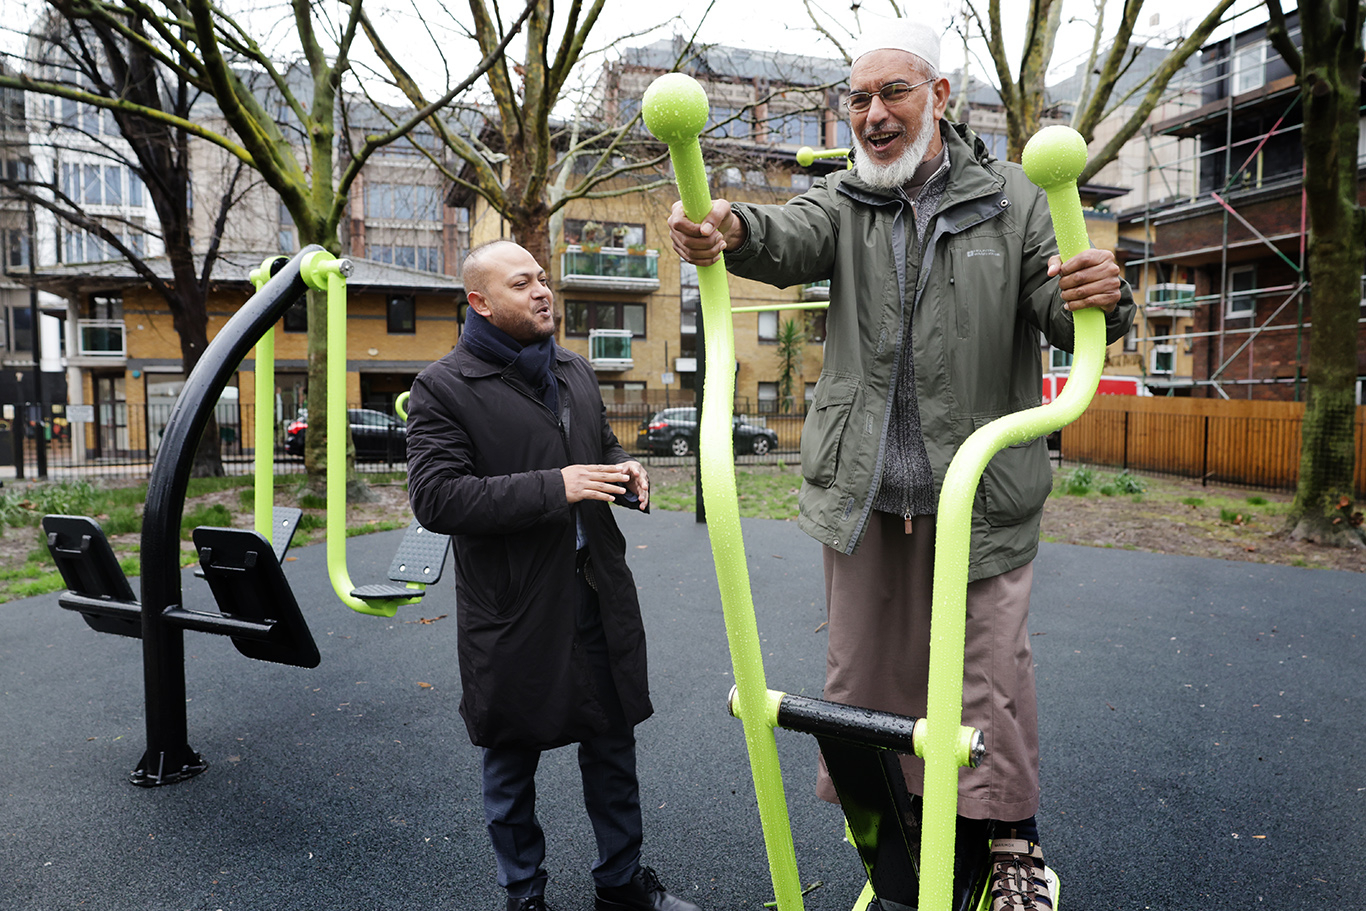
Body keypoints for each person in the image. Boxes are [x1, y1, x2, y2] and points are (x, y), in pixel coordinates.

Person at [667, 17, 1134, 911]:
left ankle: (1010, 840)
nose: (873, 114)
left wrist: (1102, 296)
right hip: (868, 489)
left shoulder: (1012, 197)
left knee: (988, 676)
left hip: (978, 492)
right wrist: (728, 225)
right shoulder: (845, 199)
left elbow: (1063, 303)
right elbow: (781, 235)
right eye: (858, 100)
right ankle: (898, 841)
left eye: (893, 93)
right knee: (863, 679)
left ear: (940, 97)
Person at [406, 240, 702, 911]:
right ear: (480, 302)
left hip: (596, 589)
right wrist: (556, 485)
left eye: (542, 278)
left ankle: (621, 885)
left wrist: (623, 468)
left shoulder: (572, 368)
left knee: (613, 747)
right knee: (511, 759)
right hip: (514, 606)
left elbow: (598, 446)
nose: (543, 290)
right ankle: (524, 894)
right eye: (522, 283)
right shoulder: (443, 387)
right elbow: (437, 499)